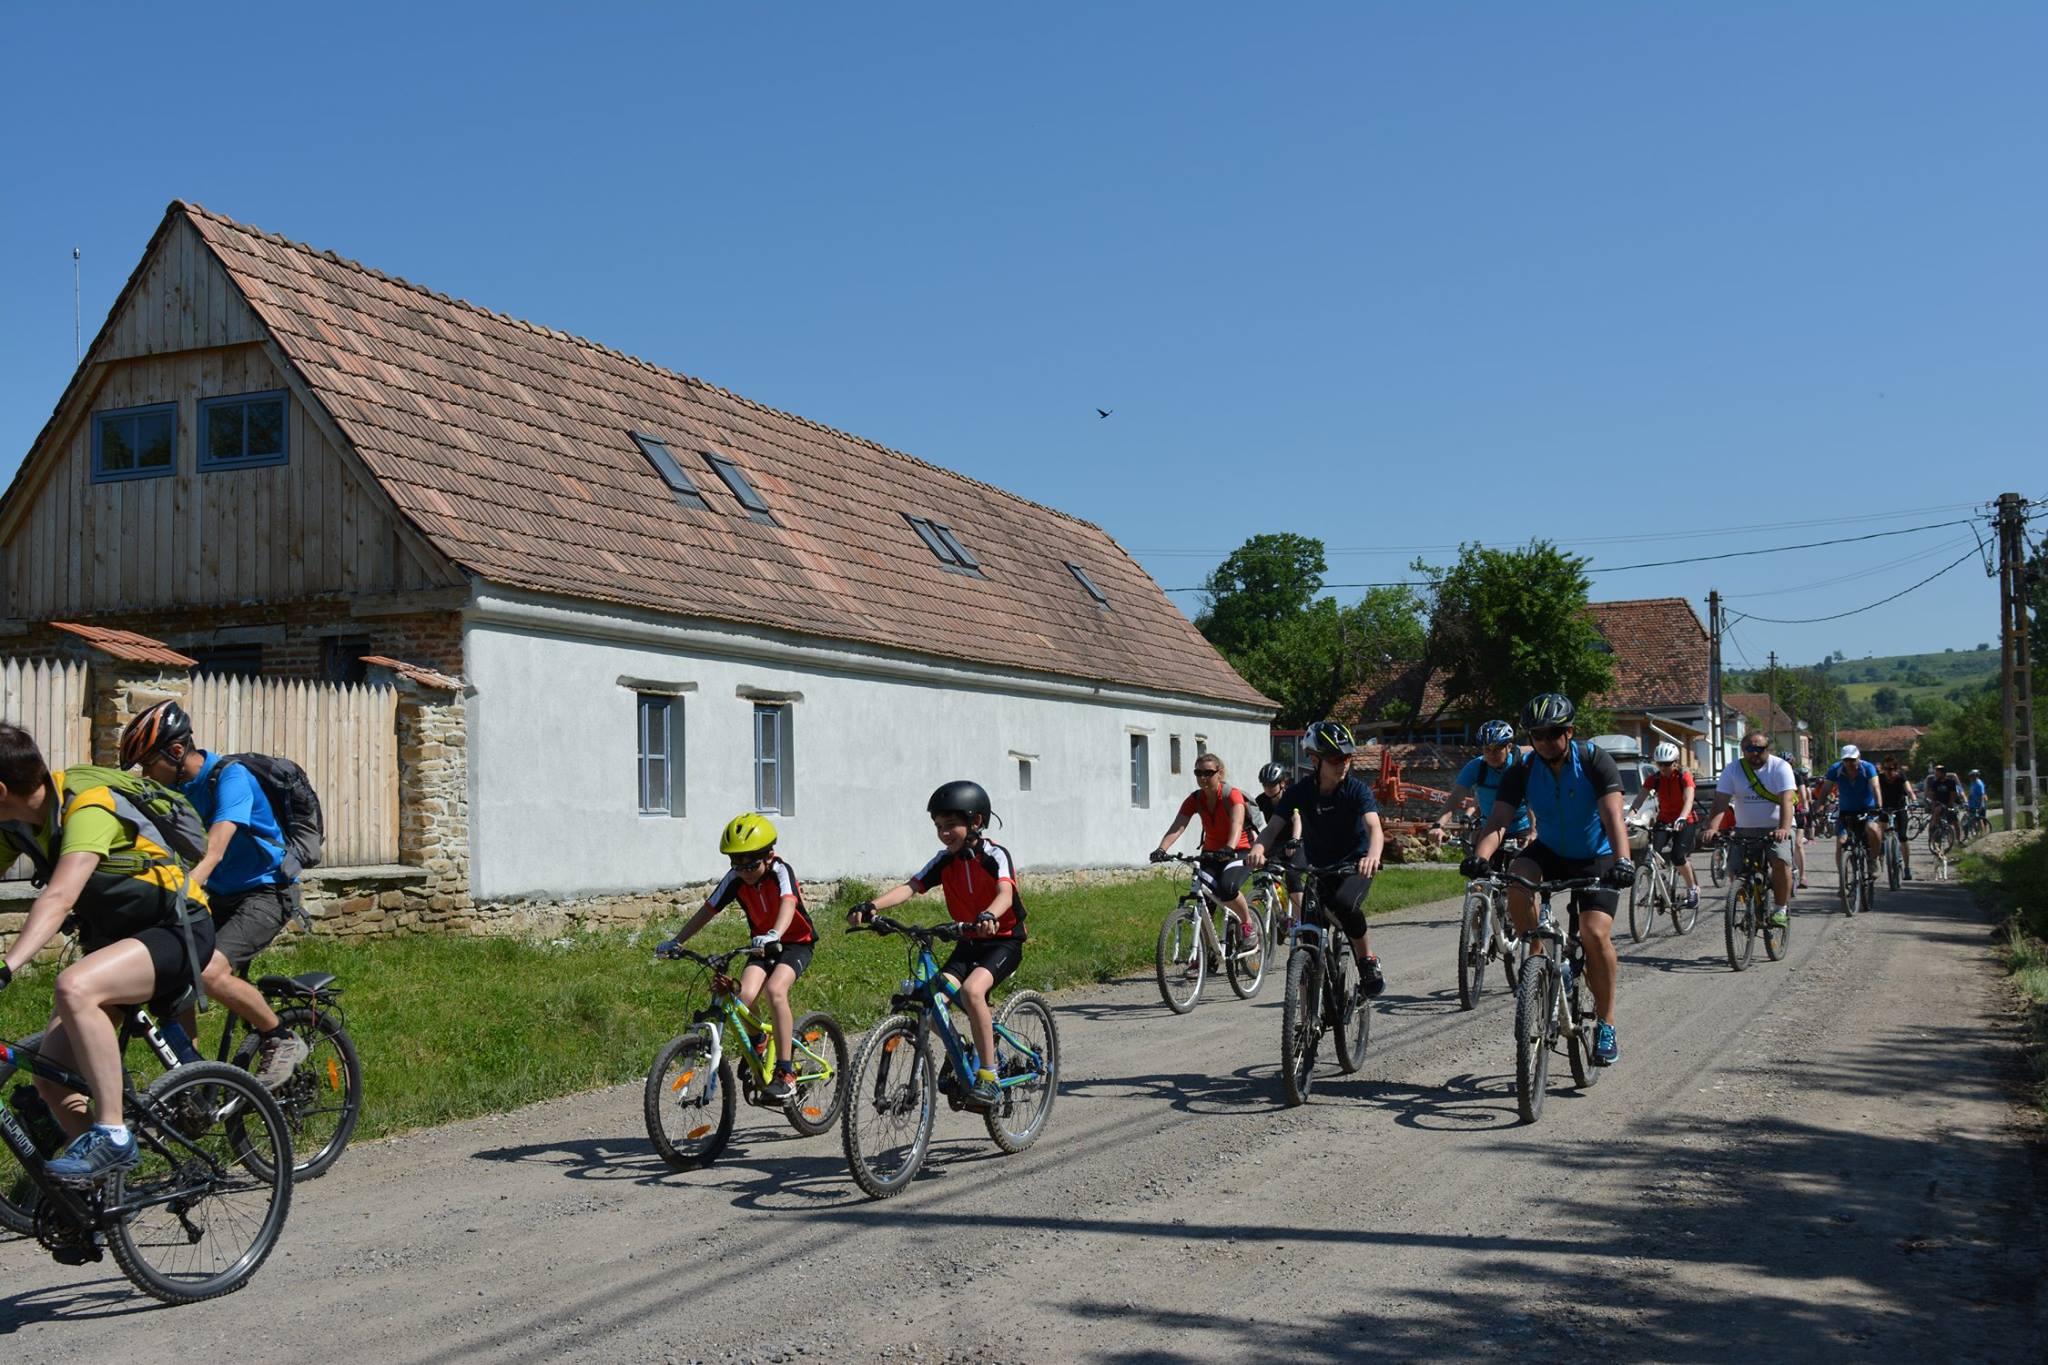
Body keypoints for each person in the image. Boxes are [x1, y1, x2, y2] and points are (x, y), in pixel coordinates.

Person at [0, 723, 217, 1183]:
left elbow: (59, 897)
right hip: (119, 943)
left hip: (177, 931)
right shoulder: (16, 825)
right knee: (51, 1075)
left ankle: (113, 1135)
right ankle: (98, 1194)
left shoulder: (87, 804)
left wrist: (8, 965)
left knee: (75, 986)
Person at [121, 700, 310, 1088]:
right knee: (173, 979)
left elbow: (218, 844)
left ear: (175, 752)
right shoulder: (171, 790)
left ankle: (281, 1038)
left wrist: (195, 879)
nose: (145, 773)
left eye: (147, 762)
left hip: (265, 891)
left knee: (208, 972)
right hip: (216, 896)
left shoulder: (230, 777)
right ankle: (194, 1081)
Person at [1464, 693, 1634, 1066]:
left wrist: (1623, 860)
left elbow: (1612, 817)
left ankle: (1606, 1023)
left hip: (1597, 856)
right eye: (1536, 735)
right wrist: (1480, 857)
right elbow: (1498, 822)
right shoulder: (1522, 769)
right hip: (1552, 850)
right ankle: (1537, 961)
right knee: (1517, 879)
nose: (1543, 741)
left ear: (1569, 732)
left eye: (1551, 733)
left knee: (1594, 934)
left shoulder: (1593, 761)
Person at [848, 781, 1022, 1111]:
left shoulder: (995, 855)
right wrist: (872, 906)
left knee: (972, 993)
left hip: (1003, 941)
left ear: (977, 822)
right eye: (939, 827)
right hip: (967, 942)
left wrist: (990, 914)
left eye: (951, 825)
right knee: (933, 1005)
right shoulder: (945, 861)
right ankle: (966, 1050)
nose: (944, 833)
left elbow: (1005, 893)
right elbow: (910, 887)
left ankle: (990, 1076)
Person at [658, 813, 816, 1100]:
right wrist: (676, 941)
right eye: (736, 863)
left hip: (795, 943)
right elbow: (708, 910)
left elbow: (788, 903)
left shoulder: (781, 871)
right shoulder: (735, 879)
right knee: (743, 997)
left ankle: (786, 1071)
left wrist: (775, 934)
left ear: (769, 856)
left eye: (750, 864)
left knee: (775, 991)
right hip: (761, 946)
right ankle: (758, 1043)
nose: (743, 871)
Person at [1245, 720, 1387, 1000]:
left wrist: (1372, 855)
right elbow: (1273, 828)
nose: (1343, 764)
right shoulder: (1300, 792)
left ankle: (1367, 960)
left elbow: (1374, 827)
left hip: (1354, 866)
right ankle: (1304, 1010)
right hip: (1319, 868)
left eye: (1347, 757)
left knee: (1345, 905)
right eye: (1335, 758)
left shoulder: (1357, 790)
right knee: (1306, 935)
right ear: (1315, 760)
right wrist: (1259, 849)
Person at [1698, 730, 1798, 929]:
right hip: (1745, 830)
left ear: (1767, 749)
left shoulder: (1780, 767)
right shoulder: (1733, 770)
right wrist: (1712, 828)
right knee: (1735, 869)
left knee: (1780, 861)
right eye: (1749, 749)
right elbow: (1720, 803)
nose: (1754, 753)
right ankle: (1749, 908)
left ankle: (1780, 909)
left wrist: (1784, 828)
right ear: (1743, 750)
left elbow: (1787, 799)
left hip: (1776, 828)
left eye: (1759, 749)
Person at [1149, 756, 1257, 940]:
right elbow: (1178, 826)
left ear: (1220, 773)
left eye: (1208, 773)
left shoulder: (1232, 795)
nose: (1203, 777)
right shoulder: (1195, 799)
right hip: (1211, 853)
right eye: (1198, 773)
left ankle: (1247, 923)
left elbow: (1237, 824)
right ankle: (1207, 952)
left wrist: (1229, 847)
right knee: (1204, 898)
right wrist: (1161, 849)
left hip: (1238, 851)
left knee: (1227, 887)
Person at [1439, 720, 1532, 868]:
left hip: (1521, 827)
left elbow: (1532, 799)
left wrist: (1534, 831)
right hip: (1491, 826)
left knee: (1520, 872)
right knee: (1479, 871)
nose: (1491, 754)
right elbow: (1456, 797)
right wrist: (1439, 824)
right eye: (1487, 750)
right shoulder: (1476, 767)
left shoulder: (1519, 765)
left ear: (1509, 747)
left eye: (1496, 749)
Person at [1629, 741, 1702, 908]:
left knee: (1677, 856)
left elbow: (1689, 799)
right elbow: (1639, 799)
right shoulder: (1654, 779)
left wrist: (1682, 817)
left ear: (1675, 762)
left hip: (1685, 820)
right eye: (1659, 764)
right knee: (1650, 855)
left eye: (1667, 764)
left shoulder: (1684, 777)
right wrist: (1629, 816)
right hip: (1664, 819)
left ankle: (1693, 889)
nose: (1663, 767)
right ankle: (1657, 883)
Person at [1816, 743, 1884, 885]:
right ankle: (1843, 880)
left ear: (1858, 758)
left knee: (1873, 830)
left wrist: (1879, 806)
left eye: (1852, 760)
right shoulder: (1835, 769)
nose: (1849, 763)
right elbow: (1825, 789)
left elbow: (1876, 786)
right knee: (1841, 843)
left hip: (1867, 810)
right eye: (1846, 760)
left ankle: (1873, 859)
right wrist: (1820, 806)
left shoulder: (1868, 768)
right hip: (1846, 811)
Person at [1253, 762, 1302, 927]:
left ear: (1282, 783)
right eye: (1265, 784)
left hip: (1293, 842)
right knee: (1264, 875)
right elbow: (1250, 818)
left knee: (1293, 877)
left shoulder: (1290, 798)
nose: (1267, 788)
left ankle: (1300, 919)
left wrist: (1294, 840)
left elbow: (1297, 820)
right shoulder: (1262, 800)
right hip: (1276, 842)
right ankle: (1278, 914)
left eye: (1272, 784)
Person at [1878, 756, 1916, 880]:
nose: (1889, 772)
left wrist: (1914, 801)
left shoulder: (1901, 777)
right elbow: (1873, 790)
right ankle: (1882, 854)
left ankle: (1907, 868)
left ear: (1896, 769)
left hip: (1900, 809)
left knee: (1903, 837)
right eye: (1886, 769)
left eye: (1892, 769)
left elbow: (1909, 790)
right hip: (1884, 808)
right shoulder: (1880, 778)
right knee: (1881, 836)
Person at [1927, 764, 1964, 845]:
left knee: (1955, 822)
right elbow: (1933, 795)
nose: (1936, 774)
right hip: (1938, 804)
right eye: (1935, 772)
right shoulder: (1935, 783)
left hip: (1949, 804)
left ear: (1943, 773)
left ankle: (1958, 840)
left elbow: (1953, 795)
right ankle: (1933, 835)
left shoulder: (1950, 782)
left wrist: (1949, 804)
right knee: (1934, 818)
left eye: (1937, 772)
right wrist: (1933, 805)